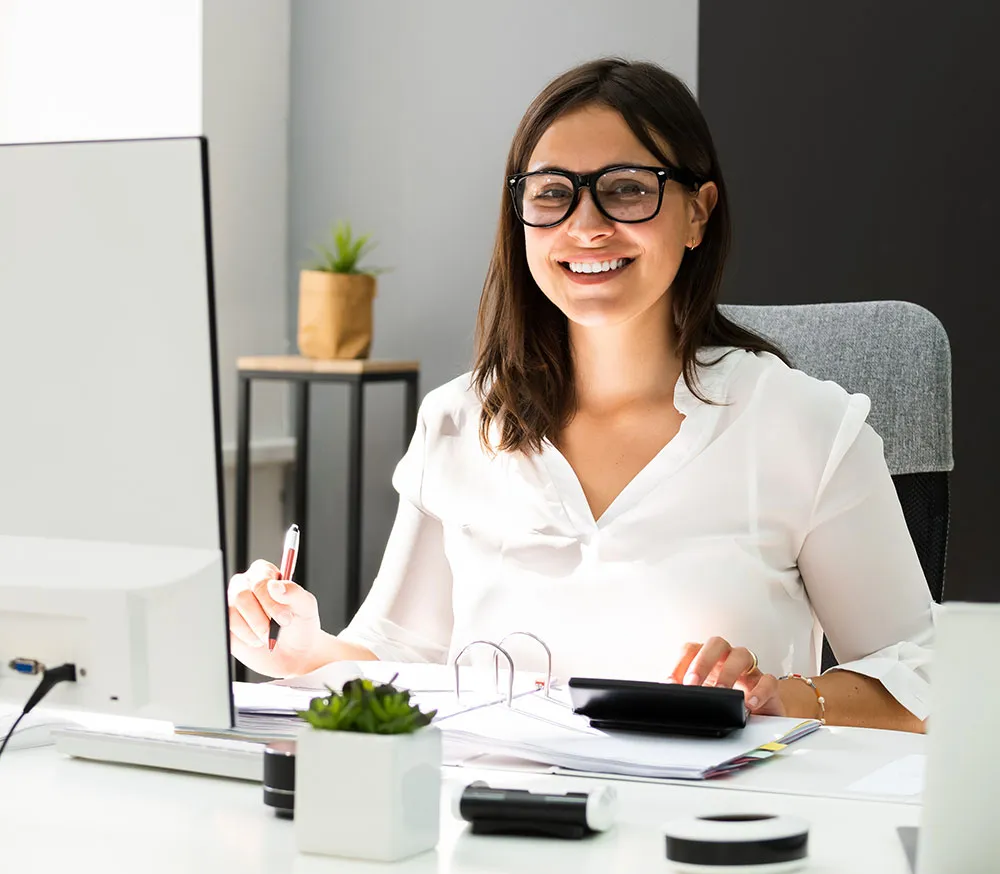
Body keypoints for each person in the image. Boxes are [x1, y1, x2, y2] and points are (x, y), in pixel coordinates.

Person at [228, 58, 933, 733]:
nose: (586, 225)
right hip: (492, 832)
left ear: (698, 213)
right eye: (552, 193)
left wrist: (781, 696)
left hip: (707, 837)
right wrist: (301, 650)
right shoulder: (459, 420)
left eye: (627, 188)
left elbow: (929, 678)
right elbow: (400, 657)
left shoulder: (804, 426)